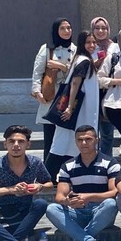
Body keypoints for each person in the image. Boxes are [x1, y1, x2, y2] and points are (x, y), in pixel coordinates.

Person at [45, 125, 119, 241]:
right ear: (75, 141)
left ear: (97, 140)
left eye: (88, 139)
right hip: (77, 212)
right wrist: (68, 201)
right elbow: (59, 196)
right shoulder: (67, 166)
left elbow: (114, 191)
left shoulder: (110, 163)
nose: (84, 143)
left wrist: (89, 197)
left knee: (111, 204)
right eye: (80, 140)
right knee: (51, 208)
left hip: (100, 212)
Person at [46, 31, 101, 182]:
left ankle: (67, 177)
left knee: (68, 144)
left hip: (79, 111)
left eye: (93, 42)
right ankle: (47, 178)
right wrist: (69, 108)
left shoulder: (82, 60)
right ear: (82, 44)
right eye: (88, 42)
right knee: (62, 144)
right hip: (78, 111)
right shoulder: (83, 61)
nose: (91, 45)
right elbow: (75, 83)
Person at [31, 18, 76, 164]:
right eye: (63, 28)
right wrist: (37, 91)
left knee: (69, 137)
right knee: (50, 138)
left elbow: (78, 72)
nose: (67, 31)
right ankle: (48, 174)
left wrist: (62, 67)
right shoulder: (47, 49)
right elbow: (37, 72)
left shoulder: (76, 49)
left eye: (69, 28)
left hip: (68, 96)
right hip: (51, 96)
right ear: (56, 30)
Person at [90, 16, 116, 158]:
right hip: (91, 91)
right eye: (97, 28)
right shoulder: (89, 46)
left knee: (107, 131)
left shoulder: (114, 46)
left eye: (104, 28)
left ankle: (106, 160)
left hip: (108, 91)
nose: (101, 31)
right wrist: (96, 63)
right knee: (91, 130)